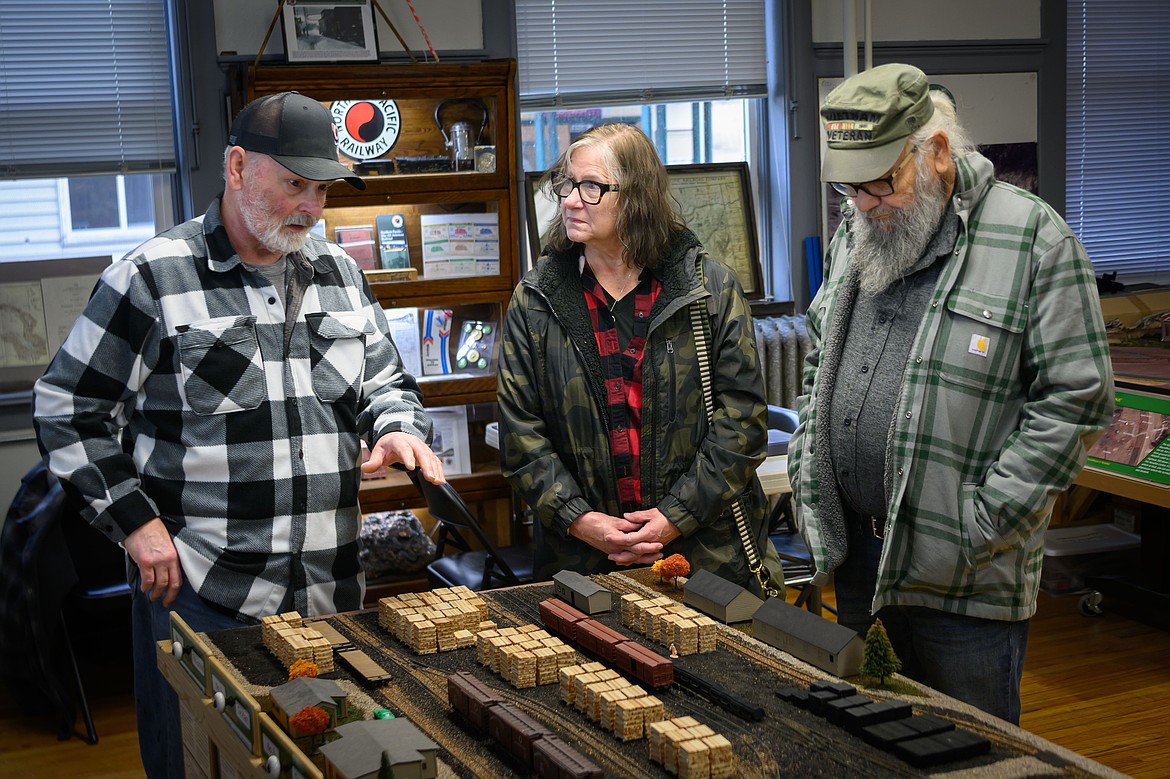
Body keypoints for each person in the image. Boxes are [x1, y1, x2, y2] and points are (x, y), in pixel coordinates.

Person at [33, 91, 444, 777]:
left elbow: (388, 384)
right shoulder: (152, 278)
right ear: (235, 166)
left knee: (325, 763)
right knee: (203, 765)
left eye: (321, 189)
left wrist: (399, 429)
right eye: (292, 184)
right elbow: (67, 406)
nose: (311, 207)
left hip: (330, 598)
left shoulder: (341, 275)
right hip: (205, 596)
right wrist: (135, 523)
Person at [786, 63, 1114, 724]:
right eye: (850, 189)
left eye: (881, 183)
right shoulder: (861, 229)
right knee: (869, 744)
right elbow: (821, 351)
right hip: (858, 562)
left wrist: (983, 521)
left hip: (963, 576)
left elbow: (1077, 398)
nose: (864, 204)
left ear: (936, 152)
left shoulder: (1033, 240)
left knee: (970, 754)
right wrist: (804, 465)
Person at [496, 122, 779, 594]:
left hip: (703, 558)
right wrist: (581, 520)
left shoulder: (708, 290)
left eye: (590, 187)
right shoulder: (536, 299)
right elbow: (520, 434)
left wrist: (674, 516)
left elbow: (742, 423)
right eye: (566, 183)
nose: (568, 199)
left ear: (636, 197)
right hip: (582, 563)